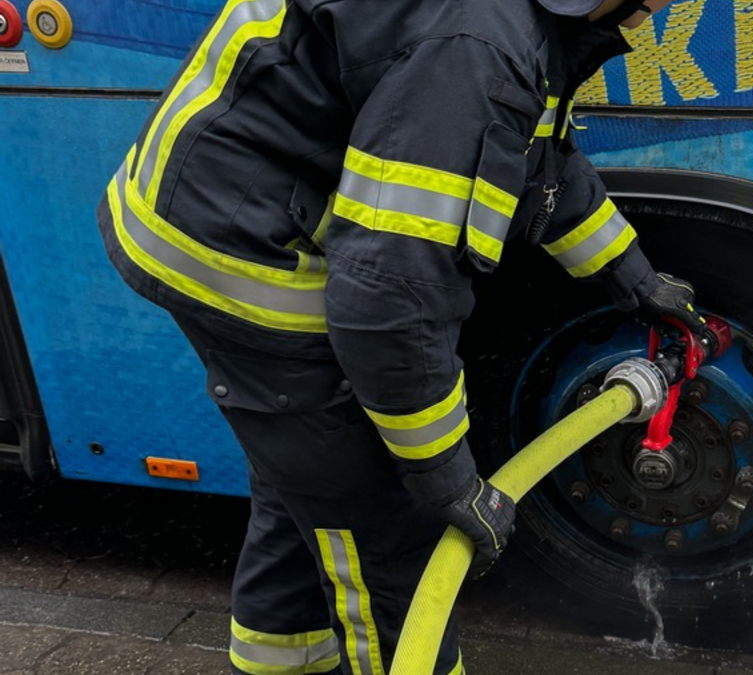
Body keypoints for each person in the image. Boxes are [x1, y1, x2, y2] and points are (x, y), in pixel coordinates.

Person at [96, 0, 703, 673]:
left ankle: (283, 660)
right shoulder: (478, 46)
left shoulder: (504, 30)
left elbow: (538, 169)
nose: (656, 11)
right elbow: (390, 303)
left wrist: (637, 279)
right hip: (245, 249)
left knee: (307, 477)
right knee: (381, 529)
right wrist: (446, 478)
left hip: (222, 207)